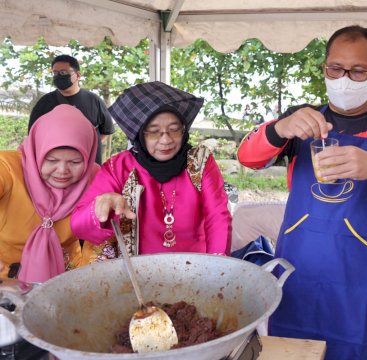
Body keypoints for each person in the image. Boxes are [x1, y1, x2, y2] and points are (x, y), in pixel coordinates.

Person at [237, 25, 367, 359]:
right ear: (324, 70)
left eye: (358, 71)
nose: (345, 78)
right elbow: (247, 157)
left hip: (359, 274)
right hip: (299, 266)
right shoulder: (303, 122)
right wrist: (279, 128)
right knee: (294, 349)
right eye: (336, 68)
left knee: (355, 349)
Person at [71, 81, 231, 258]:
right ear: (139, 134)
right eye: (154, 131)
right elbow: (78, 227)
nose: (166, 140)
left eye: (174, 129)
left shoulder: (200, 161)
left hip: (195, 269)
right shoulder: (118, 167)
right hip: (137, 274)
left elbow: (218, 217)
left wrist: (216, 268)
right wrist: (98, 207)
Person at [0, 104, 98, 359]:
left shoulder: (95, 178)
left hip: (62, 285)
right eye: (51, 160)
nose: (63, 171)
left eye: (75, 162)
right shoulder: (9, 169)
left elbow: (100, 243)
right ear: (35, 153)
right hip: (5, 286)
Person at [28, 54, 115, 164]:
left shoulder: (94, 100)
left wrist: (87, 145)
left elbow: (106, 131)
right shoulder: (44, 103)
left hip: (89, 163)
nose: (58, 76)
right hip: (56, 167)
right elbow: (33, 135)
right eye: (55, 73)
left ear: (78, 75)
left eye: (63, 72)